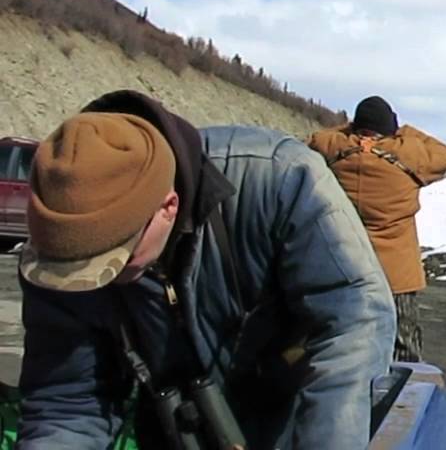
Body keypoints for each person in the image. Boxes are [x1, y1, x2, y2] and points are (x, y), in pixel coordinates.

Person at [18, 90, 395, 449]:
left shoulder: (280, 179)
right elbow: (67, 402)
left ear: (168, 207)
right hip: (175, 432)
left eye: (113, 263)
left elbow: (354, 328)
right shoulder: (59, 249)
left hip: (296, 426)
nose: (98, 282)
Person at [308, 96, 446, 363]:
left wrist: (351, 133)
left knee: (340, 343)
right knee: (403, 345)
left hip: (343, 264)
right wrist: (403, 131)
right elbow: (444, 154)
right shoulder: (410, 155)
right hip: (397, 273)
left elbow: (316, 137)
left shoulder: (332, 148)